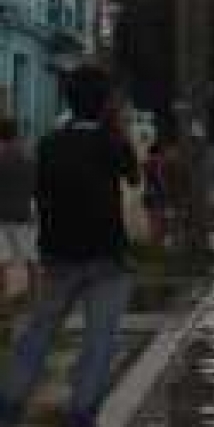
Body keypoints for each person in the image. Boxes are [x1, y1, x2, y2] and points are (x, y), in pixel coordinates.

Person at [0, 66, 139, 427]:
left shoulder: (47, 144)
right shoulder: (113, 143)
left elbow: (41, 192)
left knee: (39, 331)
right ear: (105, 103)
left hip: (59, 254)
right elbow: (133, 177)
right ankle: (81, 416)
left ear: (68, 101)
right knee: (99, 341)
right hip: (108, 256)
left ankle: (9, 405)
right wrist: (117, 127)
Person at [0, 117, 35, 299]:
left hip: (2, 215)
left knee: (2, 261)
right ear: (15, 134)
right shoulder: (27, 156)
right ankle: (34, 295)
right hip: (23, 212)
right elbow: (35, 185)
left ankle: (4, 299)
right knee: (30, 258)